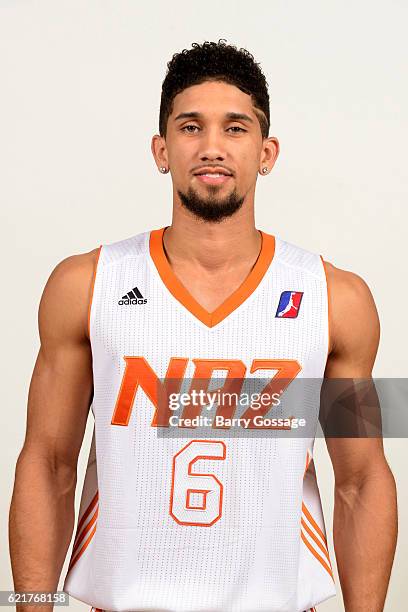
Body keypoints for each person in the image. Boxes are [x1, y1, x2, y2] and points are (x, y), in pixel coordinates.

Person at [9, 40, 397, 612]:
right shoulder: (85, 286)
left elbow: (362, 480)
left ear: (267, 152)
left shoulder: (336, 298)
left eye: (235, 128)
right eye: (191, 127)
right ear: (161, 149)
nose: (212, 147)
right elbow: (47, 463)